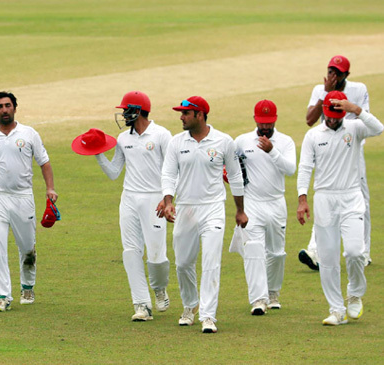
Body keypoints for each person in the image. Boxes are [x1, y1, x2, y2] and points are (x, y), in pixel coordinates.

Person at [157, 96, 247, 334]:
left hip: (213, 208)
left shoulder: (224, 141)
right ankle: (190, 306)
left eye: (185, 113)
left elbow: (236, 177)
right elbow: (168, 174)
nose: (181, 117)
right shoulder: (176, 142)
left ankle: (208, 316)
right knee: (183, 263)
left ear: (200, 114)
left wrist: (240, 210)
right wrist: (168, 202)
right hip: (185, 208)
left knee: (210, 262)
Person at [297, 91, 382, 325]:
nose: (333, 119)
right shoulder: (313, 135)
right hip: (325, 199)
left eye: (337, 115)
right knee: (327, 259)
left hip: (351, 196)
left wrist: (356, 109)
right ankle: (336, 309)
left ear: (343, 111)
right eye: (329, 115)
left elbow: (379, 128)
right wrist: (302, 199)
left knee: (355, 252)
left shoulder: (355, 128)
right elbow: (305, 167)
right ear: (324, 111)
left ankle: (354, 293)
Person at [0, 91, 57, 312]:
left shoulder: (29, 134)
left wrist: (50, 188)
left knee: (27, 247)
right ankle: (2, 295)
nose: (4, 110)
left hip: (22, 197)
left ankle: (27, 287)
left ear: (15, 108)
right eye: (0, 106)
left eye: (8, 105)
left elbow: (44, 163)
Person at [91, 91, 172, 321]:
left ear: (138, 111)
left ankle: (159, 288)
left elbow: (172, 170)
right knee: (130, 251)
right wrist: (97, 153)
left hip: (154, 199)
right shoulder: (123, 139)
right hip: (129, 198)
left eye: (126, 110)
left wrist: (166, 199)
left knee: (156, 255)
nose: (123, 114)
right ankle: (142, 305)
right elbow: (114, 173)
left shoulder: (162, 135)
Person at [299, 55, 372, 270]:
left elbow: (366, 119)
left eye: (337, 73)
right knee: (324, 197)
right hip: (327, 149)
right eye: (330, 71)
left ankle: (364, 251)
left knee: (361, 201)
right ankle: (315, 251)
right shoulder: (318, 90)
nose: (332, 76)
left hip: (351, 149)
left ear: (346, 75)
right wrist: (324, 93)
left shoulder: (359, 89)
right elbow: (310, 120)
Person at [234, 100, 296, 315]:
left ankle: (272, 293)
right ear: (255, 119)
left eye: (269, 123)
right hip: (252, 203)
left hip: (276, 203)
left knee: (277, 253)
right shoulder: (242, 141)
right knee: (254, 250)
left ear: (275, 119)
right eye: (262, 122)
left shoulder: (285, 142)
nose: (266, 127)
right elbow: (230, 165)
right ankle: (258, 300)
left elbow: (290, 169)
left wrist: (272, 152)